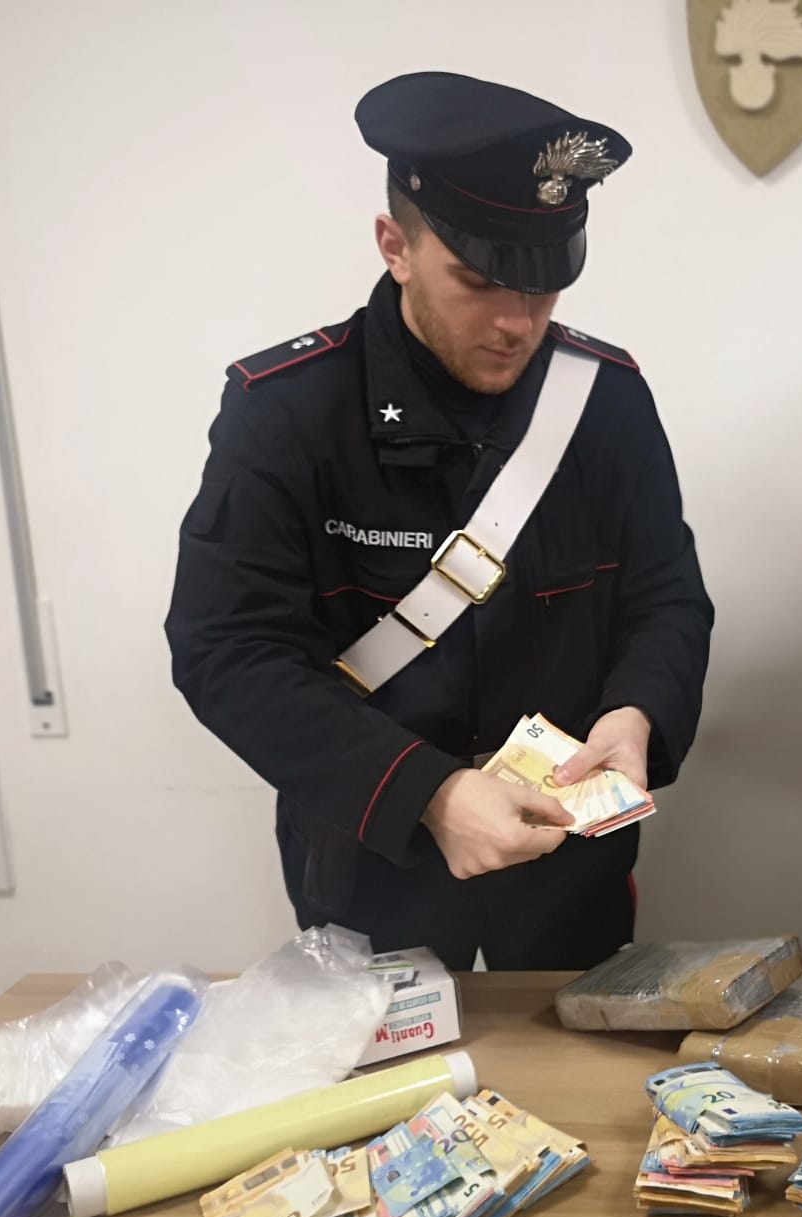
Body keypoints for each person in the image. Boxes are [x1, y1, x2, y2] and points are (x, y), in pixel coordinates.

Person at [166, 72, 713, 970]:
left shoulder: (605, 401)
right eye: (479, 281)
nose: (517, 322)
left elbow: (666, 597)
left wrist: (638, 710)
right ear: (396, 245)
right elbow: (225, 650)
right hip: (373, 860)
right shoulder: (288, 412)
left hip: (569, 870)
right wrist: (428, 793)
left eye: (544, 285)